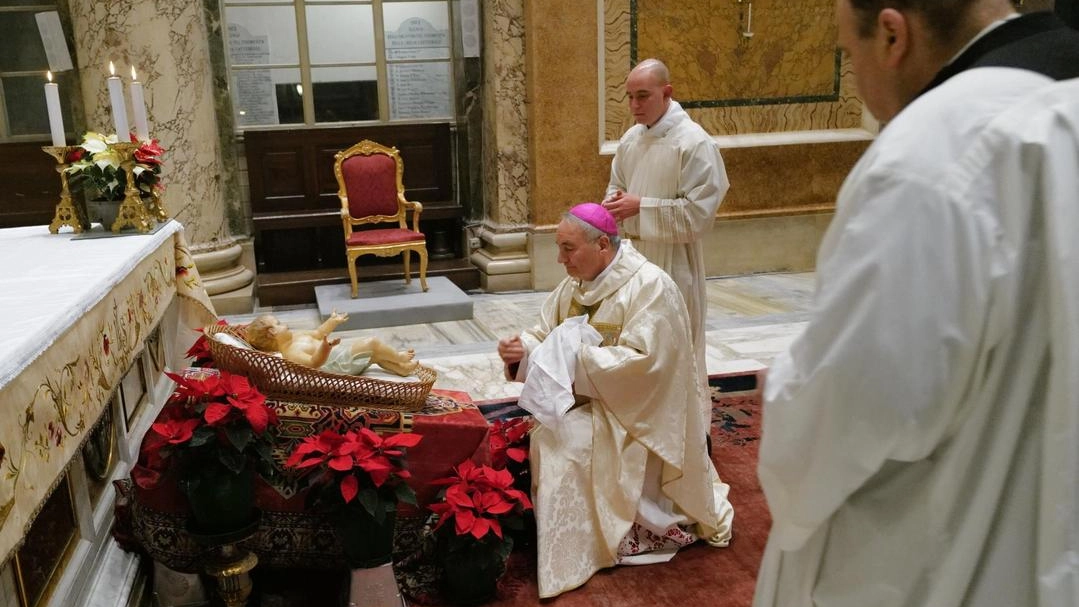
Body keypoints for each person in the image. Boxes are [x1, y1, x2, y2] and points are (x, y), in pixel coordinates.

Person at [753, 1, 1079, 606]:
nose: (856, 74)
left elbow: (841, 420)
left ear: (892, 34)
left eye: (848, 53)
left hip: (938, 560)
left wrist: (789, 386)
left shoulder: (931, 157)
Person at [498, 203, 734, 598]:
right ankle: (580, 535)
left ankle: (610, 537)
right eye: (559, 248)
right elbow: (543, 332)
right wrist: (522, 351)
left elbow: (647, 366)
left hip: (638, 417)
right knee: (551, 436)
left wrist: (572, 360)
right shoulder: (575, 284)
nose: (560, 260)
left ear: (602, 245)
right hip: (589, 402)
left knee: (564, 444)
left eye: (568, 248)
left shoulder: (650, 287)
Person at [602, 58, 729, 368]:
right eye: (629, 96)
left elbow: (699, 214)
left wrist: (640, 206)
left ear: (667, 92)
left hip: (674, 265)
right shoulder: (631, 139)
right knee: (632, 347)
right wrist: (614, 204)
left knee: (671, 355)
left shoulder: (694, 142)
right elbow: (616, 184)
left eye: (643, 95)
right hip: (632, 261)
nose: (634, 105)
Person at [245, 312, 419, 376]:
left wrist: (332, 322)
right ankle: (398, 356)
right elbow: (314, 363)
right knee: (372, 344)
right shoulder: (291, 353)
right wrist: (325, 348)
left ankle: (400, 368)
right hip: (337, 366)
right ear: (272, 333)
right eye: (278, 323)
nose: (285, 324)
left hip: (340, 356)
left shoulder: (296, 336)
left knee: (374, 355)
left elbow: (318, 333)